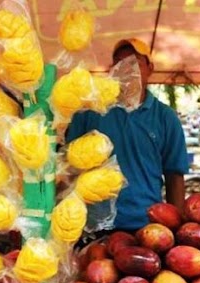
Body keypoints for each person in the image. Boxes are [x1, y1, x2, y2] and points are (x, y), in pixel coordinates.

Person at [66, 38, 188, 232]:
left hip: (146, 225)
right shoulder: (89, 111)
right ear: (112, 70)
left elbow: (174, 176)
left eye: (135, 62)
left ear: (150, 67)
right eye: (120, 63)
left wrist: (176, 227)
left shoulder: (165, 118)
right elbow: (68, 166)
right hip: (93, 225)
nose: (127, 69)